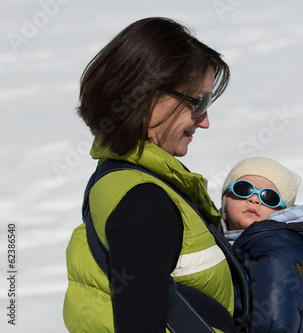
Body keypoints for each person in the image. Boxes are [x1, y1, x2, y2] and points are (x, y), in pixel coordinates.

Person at [63, 17, 236, 332]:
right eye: (199, 103)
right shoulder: (142, 202)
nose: (205, 121)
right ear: (147, 97)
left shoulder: (127, 182)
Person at [220, 157, 303, 333]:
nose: (254, 199)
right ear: (224, 203)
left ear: (283, 211)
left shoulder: (278, 245)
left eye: (269, 197)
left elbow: (275, 320)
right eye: (243, 189)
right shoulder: (221, 237)